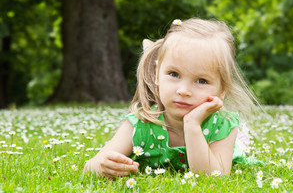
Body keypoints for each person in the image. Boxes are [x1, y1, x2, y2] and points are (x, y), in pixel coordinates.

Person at [84, 18, 259, 178]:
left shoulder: (222, 126)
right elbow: (90, 167)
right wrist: (101, 166)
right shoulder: (140, 124)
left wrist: (192, 125)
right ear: (157, 74)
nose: (183, 90)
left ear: (222, 90)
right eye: (174, 74)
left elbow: (213, 178)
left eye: (201, 80)